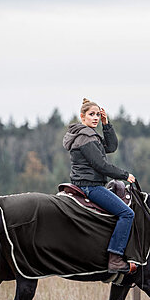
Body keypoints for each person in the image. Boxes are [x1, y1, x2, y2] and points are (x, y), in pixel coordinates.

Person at [62, 98, 137, 273]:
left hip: (86, 183)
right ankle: (116, 258)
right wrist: (125, 175)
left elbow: (111, 147)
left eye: (97, 114)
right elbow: (101, 165)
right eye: (91, 114)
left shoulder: (89, 135)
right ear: (82, 116)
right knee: (127, 214)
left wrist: (106, 124)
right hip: (91, 186)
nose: (95, 117)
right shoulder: (85, 137)